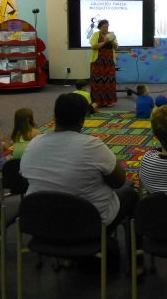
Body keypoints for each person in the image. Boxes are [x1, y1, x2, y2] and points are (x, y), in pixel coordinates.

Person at [20, 93, 139, 232]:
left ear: (55, 116)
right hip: (87, 225)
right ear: (82, 120)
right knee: (131, 194)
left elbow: (25, 177)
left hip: (42, 222)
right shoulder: (92, 145)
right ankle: (132, 251)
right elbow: (119, 182)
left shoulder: (34, 144)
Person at [89, 19, 118, 108]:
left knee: (109, 81)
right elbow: (94, 46)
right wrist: (104, 42)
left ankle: (109, 101)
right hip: (97, 62)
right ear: (99, 27)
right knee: (97, 81)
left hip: (109, 62)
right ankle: (97, 101)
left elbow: (116, 46)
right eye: (104, 27)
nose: (106, 28)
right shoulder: (95, 35)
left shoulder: (111, 35)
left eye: (107, 26)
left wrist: (112, 40)